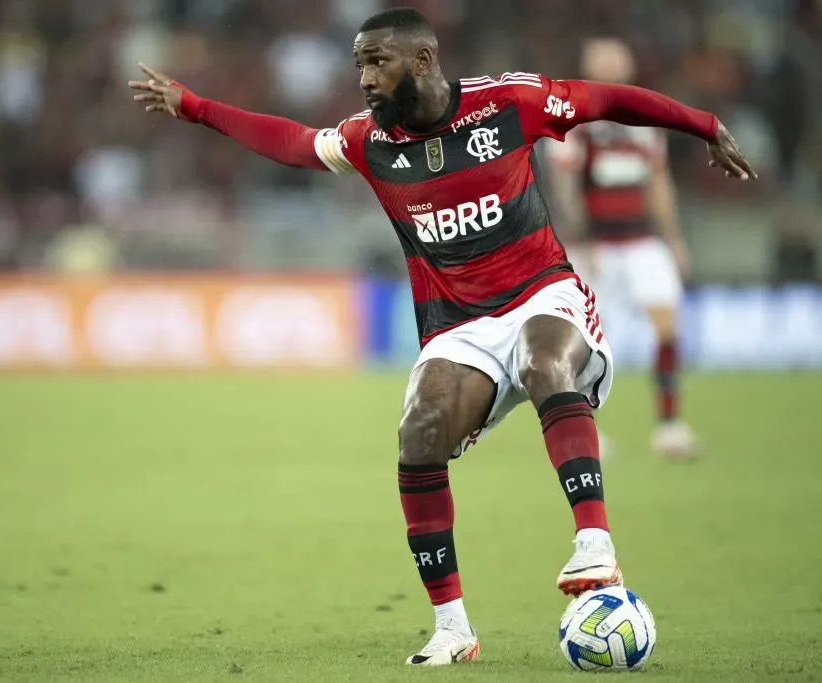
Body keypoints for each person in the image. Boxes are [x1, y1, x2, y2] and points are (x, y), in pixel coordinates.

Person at [130, 7, 756, 667]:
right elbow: (289, 140)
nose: (365, 79)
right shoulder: (367, 141)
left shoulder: (508, 103)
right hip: (458, 327)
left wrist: (705, 125)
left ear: (423, 61)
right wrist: (195, 106)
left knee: (545, 362)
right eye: (359, 65)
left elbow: (606, 100)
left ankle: (594, 540)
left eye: (377, 62)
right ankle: (453, 626)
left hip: (543, 293)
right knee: (419, 433)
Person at [544, 37, 698, 458]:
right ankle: (584, 430)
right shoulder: (571, 120)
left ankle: (669, 425)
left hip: (642, 241)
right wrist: (582, 237)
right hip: (597, 245)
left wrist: (674, 239)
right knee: (585, 341)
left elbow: (658, 183)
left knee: (667, 327)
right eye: (602, 61)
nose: (610, 68)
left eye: (616, 60)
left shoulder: (643, 121)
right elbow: (565, 184)